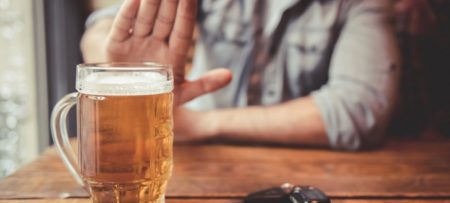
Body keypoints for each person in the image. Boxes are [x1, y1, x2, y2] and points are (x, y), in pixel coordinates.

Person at [81, 0, 400, 150]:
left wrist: (198, 124)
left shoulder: (364, 4)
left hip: (311, 166)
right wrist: (124, 74)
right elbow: (100, 29)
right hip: (188, 159)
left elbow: (359, 109)